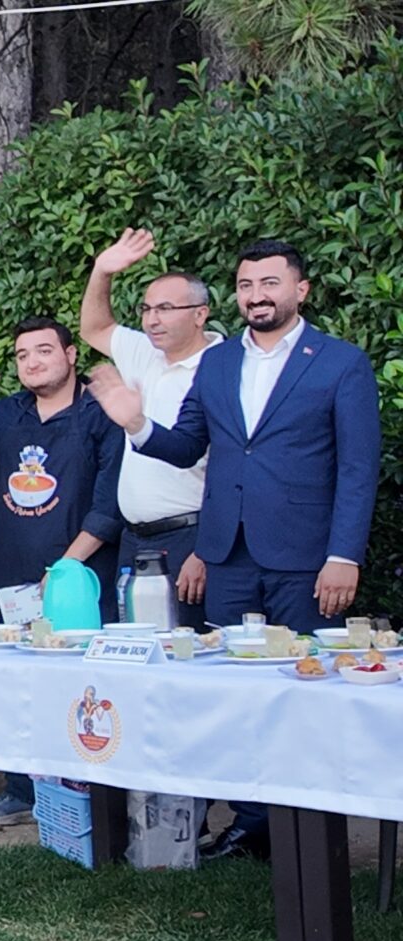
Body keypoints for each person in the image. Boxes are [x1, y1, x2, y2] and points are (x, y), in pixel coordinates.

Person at [93, 239, 381, 862]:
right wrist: (135, 424)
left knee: (304, 690)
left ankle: (310, 829)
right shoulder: (217, 365)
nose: (257, 295)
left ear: (300, 290)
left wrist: (345, 555)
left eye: (271, 283)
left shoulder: (340, 362)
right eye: (247, 285)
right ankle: (254, 825)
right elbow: (188, 446)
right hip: (226, 556)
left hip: (307, 558)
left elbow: (359, 469)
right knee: (235, 693)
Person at [0, 317, 126, 827]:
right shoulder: (6, 414)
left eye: (44, 351)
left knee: (83, 682)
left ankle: (88, 789)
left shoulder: (99, 414)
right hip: (12, 574)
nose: (32, 362)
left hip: (77, 573)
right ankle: (19, 789)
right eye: (22, 355)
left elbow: (111, 502)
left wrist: (69, 563)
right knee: (16, 682)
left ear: (71, 355)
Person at [77, 229, 224, 630]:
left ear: (200, 313)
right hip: (135, 539)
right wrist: (101, 271)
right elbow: (93, 328)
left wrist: (207, 551)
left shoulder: (223, 366)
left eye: (165, 308)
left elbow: (230, 470)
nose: (152, 319)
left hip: (190, 538)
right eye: (146, 309)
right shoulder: (144, 351)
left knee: (190, 653)